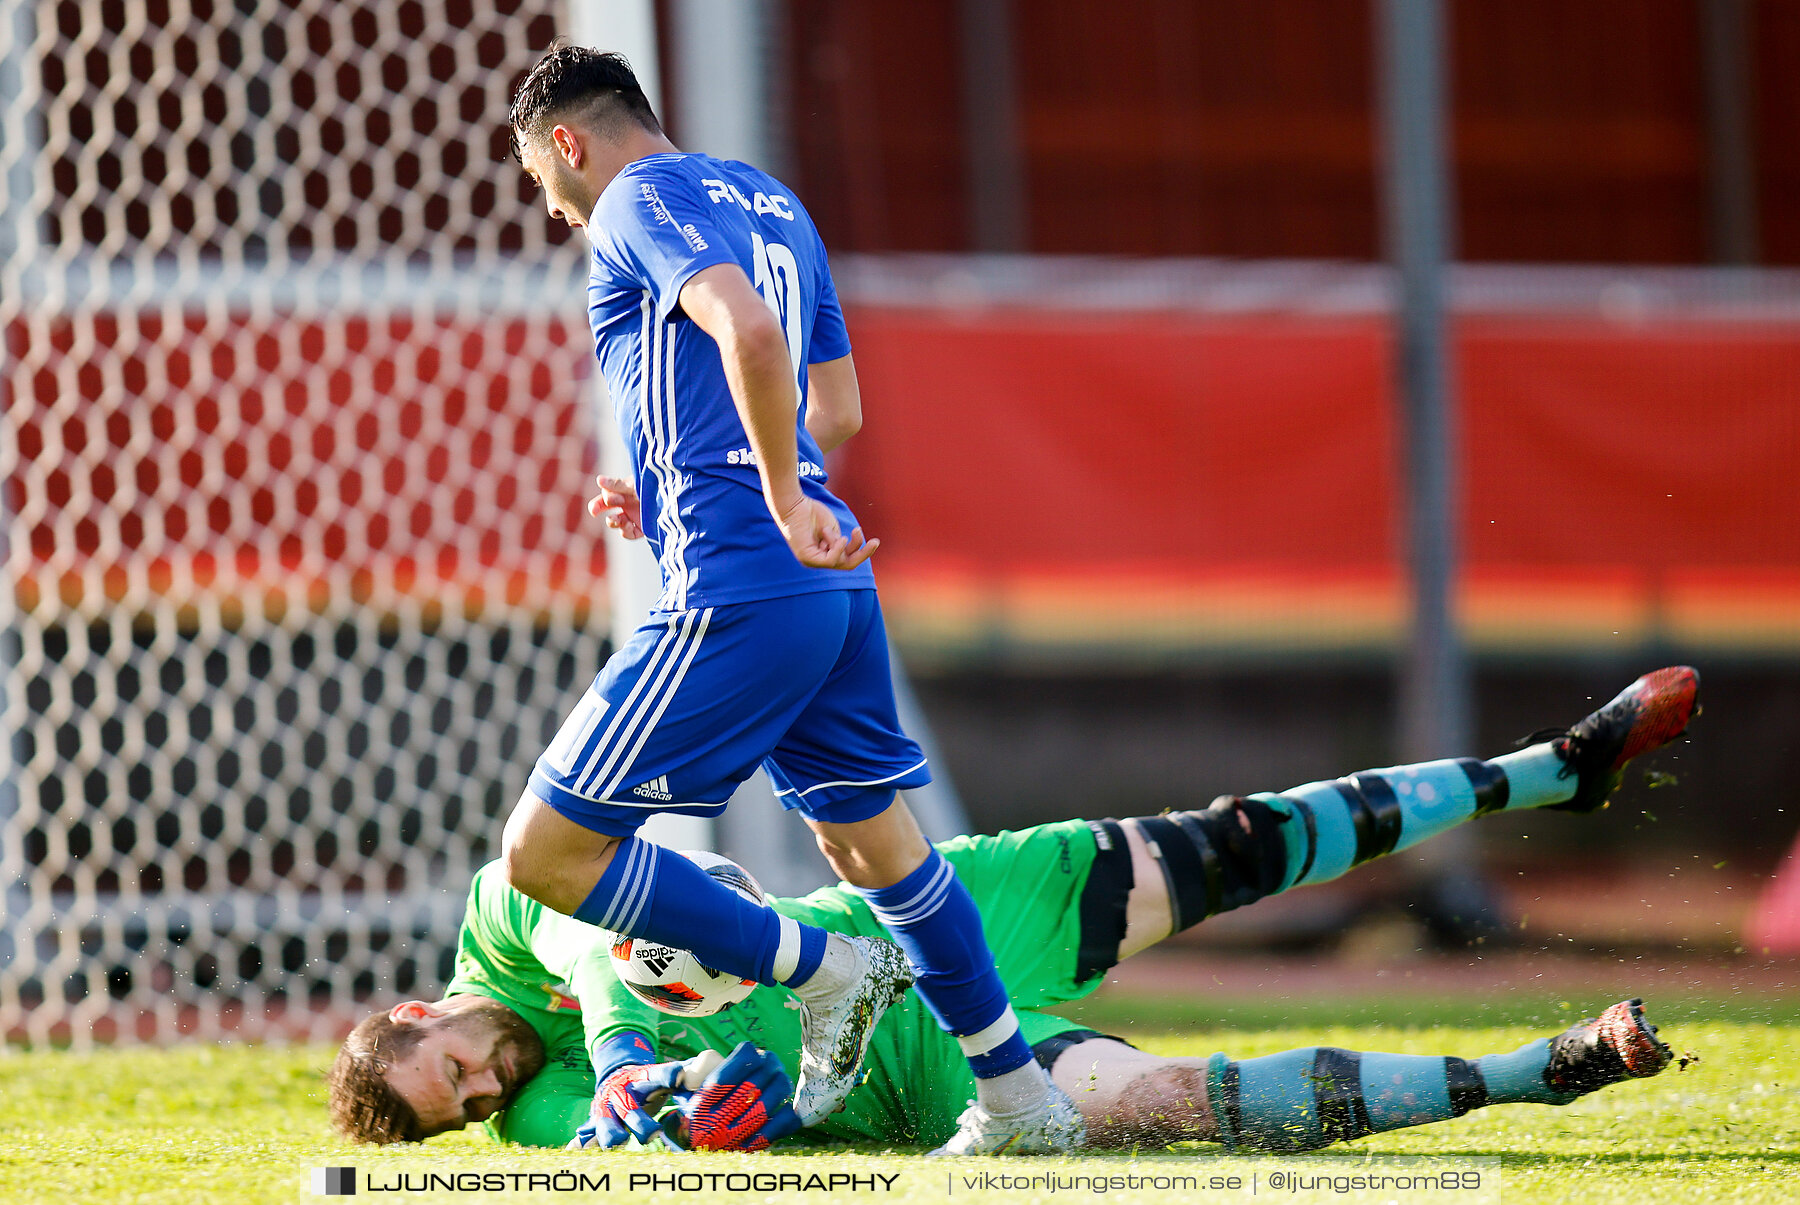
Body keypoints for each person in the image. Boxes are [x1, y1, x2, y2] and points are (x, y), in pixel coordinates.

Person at [329, 668, 1698, 1153]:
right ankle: (1545, 1071)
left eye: (448, 1062)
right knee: (1174, 1101)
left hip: (934, 911)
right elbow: (625, 1127)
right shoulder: (536, 1110)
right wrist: (683, 1112)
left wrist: (633, 1051)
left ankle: (1555, 768)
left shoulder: (506, 913)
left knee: (1242, 842)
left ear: (414, 1013)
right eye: (466, 1104)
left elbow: (584, 925)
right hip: (918, 1071)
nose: (482, 1079)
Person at [498, 43, 1069, 1152]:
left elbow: (747, 331)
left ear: (566, 142)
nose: (556, 211)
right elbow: (837, 406)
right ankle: (1022, 1100)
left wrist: (755, 491)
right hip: (827, 587)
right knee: (881, 852)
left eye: (540, 179)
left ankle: (822, 968)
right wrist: (677, 471)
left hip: (742, 584)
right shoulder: (769, 197)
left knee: (545, 856)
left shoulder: (633, 202)